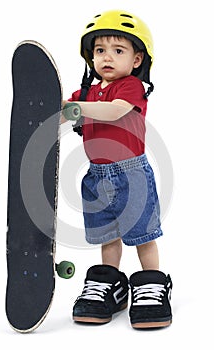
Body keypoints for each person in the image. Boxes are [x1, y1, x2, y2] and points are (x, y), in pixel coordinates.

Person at [62, 10, 172, 329]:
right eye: (100, 51)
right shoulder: (87, 94)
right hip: (96, 177)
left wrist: (78, 108)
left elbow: (114, 112)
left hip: (131, 175)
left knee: (142, 235)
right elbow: (65, 111)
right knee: (107, 236)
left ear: (137, 60)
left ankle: (151, 284)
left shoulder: (130, 88)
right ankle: (110, 284)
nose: (107, 57)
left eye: (118, 50)